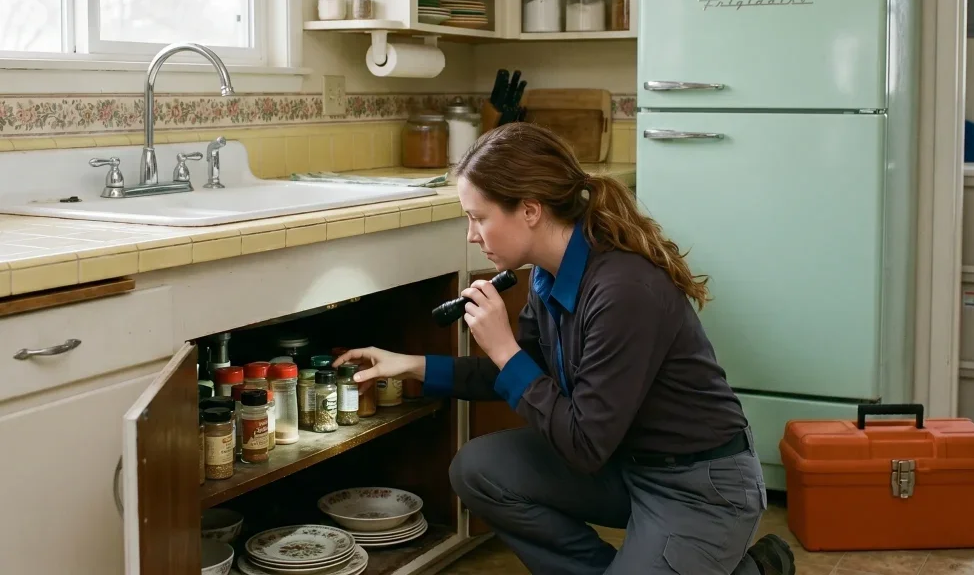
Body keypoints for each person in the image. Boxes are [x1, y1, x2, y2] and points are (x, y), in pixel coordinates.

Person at [336, 122, 796, 575]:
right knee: (478, 470)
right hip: (625, 465)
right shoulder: (548, 274)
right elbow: (528, 371)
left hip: (700, 488)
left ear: (530, 210)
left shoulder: (623, 290)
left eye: (479, 218)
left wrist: (504, 349)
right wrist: (413, 365)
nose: (471, 236)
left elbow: (582, 444)